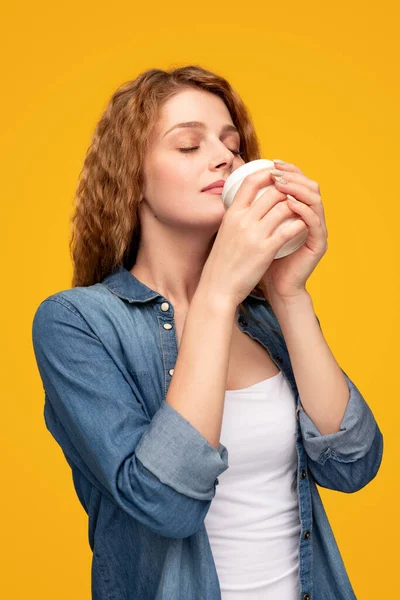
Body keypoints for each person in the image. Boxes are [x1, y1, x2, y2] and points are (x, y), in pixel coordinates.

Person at [31, 64, 383, 600]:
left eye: (231, 145)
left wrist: (288, 294)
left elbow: (354, 465)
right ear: (132, 175)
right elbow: (164, 504)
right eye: (188, 145)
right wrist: (216, 294)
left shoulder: (264, 318)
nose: (223, 156)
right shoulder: (77, 323)